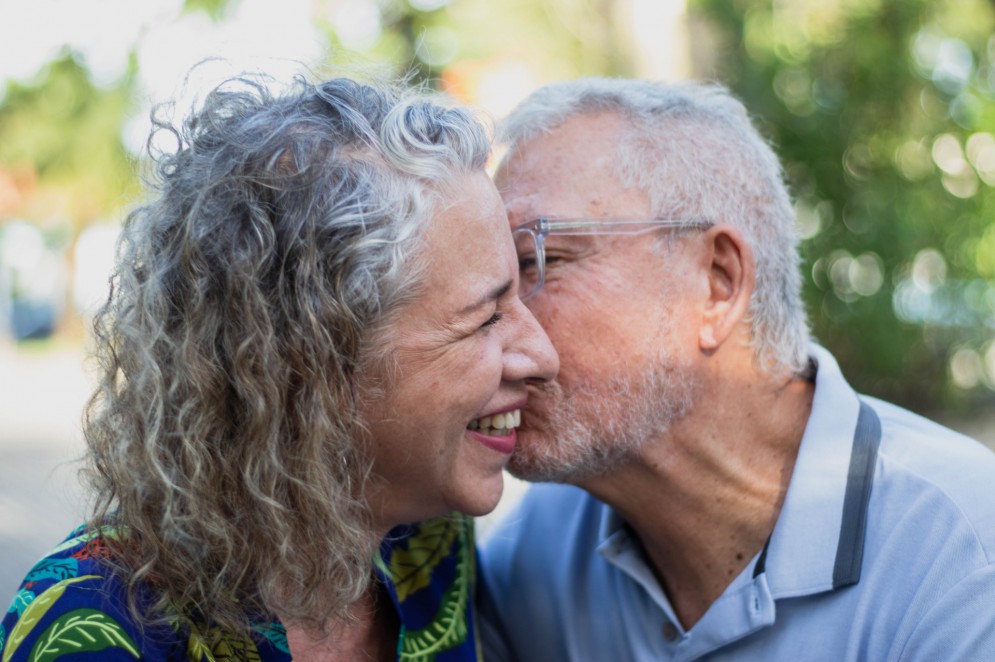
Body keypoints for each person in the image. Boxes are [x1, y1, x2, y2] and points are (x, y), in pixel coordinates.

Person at [0, 73, 558, 661]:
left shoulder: (424, 534)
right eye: (484, 319)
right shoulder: (94, 632)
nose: (542, 355)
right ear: (309, 361)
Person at [478, 77, 995, 661]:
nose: (492, 326)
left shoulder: (965, 560)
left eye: (533, 260)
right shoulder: (537, 553)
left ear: (718, 283)